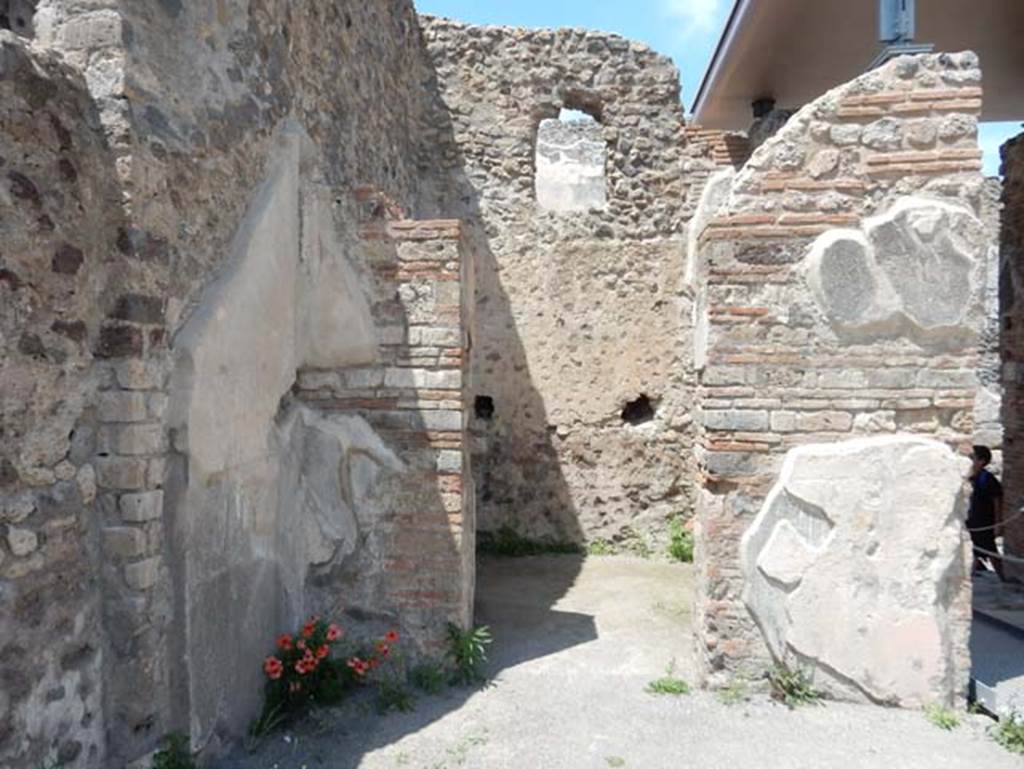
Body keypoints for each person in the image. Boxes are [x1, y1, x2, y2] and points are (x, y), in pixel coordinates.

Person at [967, 445, 1005, 581]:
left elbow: (997, 501)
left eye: (973, 458)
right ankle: (969, 575)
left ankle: (1003, 578)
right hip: (971, 521)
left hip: (984, 522)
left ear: (981, 461)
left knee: (989, 550)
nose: (969, 460)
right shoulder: (970, 477)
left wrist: (998, 523)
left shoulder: (987, 479)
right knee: (976, 549)